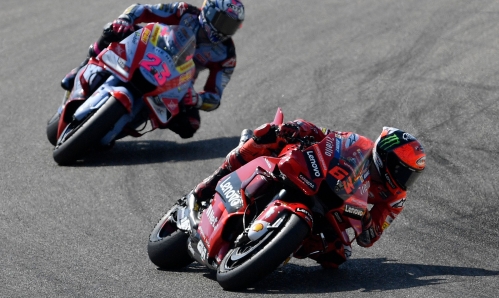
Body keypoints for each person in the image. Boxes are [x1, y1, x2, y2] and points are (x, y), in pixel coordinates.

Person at [188, 119, 426, 268]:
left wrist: (365, 222)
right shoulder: (358, 144)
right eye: (403, 172)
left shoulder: (395, 199)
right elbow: (324, 136)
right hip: (311, 175)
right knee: (268, 136)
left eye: (412, 176)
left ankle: (283, 246)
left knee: (339, 257)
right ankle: (213, 180)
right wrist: (296, 128)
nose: (406, 181)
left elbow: (369, 238)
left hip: (334, 211)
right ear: (386, 158)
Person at [60, 0, 245, 139]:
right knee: (113, 30)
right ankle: (83, 67)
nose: (224, 30)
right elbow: (143, 9)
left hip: (175, 83)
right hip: (147, 52)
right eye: (222, 21)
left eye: (231, 26)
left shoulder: (226, 55)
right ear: (209, 11)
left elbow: (215, 98)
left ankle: (121, 126)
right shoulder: (184, 12)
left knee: (190, 125)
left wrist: (197, 99)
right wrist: (125, 19)